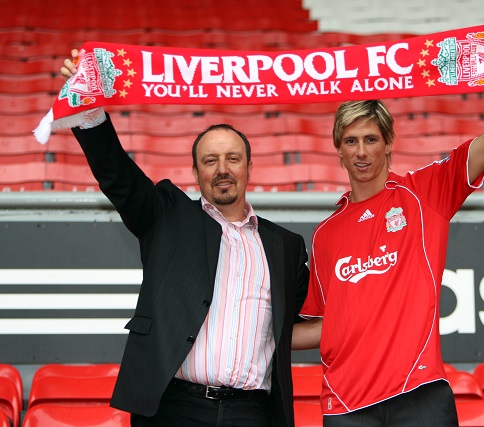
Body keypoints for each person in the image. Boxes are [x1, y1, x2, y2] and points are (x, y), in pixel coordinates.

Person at [291, 18, 484, 426]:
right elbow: (324, 327)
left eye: (371, 139)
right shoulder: (324, 234)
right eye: (350, 141)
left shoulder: (424, 193)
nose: (361, 151)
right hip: (344, 406)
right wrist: (249, 338)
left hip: (417, 395)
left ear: (388, 143)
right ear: (338, 150)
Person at [60, 51, 309, 427]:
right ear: (195, 172)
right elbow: (118, 175)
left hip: (253, 413)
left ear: (249, 167)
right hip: (176, 409)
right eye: (210, 161)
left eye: (233, 159)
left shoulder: (285, 246)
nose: (222, 170)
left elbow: (298, 325)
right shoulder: (167, 217)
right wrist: (89, 109)